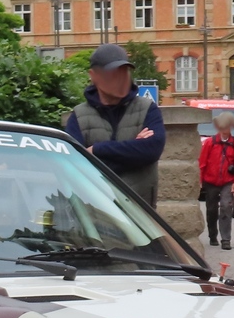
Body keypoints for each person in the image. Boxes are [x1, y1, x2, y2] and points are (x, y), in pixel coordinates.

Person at [64, 43, 166, 205]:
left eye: (124, 72)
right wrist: (132, 151)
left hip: (141, 216)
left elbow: (152, 149)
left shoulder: (147, 109)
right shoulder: (79, 116)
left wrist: (96, 150)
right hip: (95, 212)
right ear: (93, 75)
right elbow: (74, 164)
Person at [199, 113, 234, 251]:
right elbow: (202, 162)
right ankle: (212, 234)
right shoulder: (210, 142)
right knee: (211, 209)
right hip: (210, 181)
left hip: (227, 181)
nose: (225, 128)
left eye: (227, 126)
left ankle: (226, 239)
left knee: (226, 207)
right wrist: (200, 180)